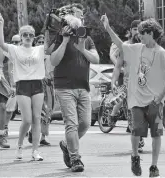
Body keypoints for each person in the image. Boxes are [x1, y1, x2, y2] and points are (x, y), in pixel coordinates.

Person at [101, 15, 165, 177]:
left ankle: (154, 167)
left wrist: (160, 96)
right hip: (136, 99)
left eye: (142, 33)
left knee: (156, 134)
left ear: (150, 33)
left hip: (155, 102)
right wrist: (107, 27)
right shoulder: (137, 48)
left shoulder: (161, 53)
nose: (139, 35)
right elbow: (119, 44)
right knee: (136, 131)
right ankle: (135, 156)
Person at [50, 3, 99, 172]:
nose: (81, 18)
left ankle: (66, 144)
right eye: (78, 15)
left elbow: (96, 59)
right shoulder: (60, 35)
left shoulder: (86, 37)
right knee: (71, 124)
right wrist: (64, 42)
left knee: (85, 123)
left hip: (83, 86)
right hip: (64, 86)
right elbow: (53, 61)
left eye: (82, 15)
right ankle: (75, 158)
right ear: (70, 17)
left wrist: (83, 49)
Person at [0, 15, 45, 161]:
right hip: (22, 85)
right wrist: (1, 24)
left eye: (30, 35)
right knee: (27, 120)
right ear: (21, 36)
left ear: (33, 37)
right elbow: (1, 44)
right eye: (25, 34)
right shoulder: (14, 49)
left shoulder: (39, 49)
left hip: (38, 84)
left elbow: (52, 44)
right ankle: (20, 145)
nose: (28, 37)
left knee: (37, 118)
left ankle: (35, 151)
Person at [108, 20, 145, 153]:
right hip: (128, 85)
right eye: (135, 29)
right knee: (131, 113)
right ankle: (138, 137)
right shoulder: (125, 47)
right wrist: (113, 82)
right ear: (131, 31)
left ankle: (139, 133)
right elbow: (118, 66)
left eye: (139, 29)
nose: (137, 32)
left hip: (143, 87)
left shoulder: (147, 46)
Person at [28, 34, 54, 146]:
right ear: (35, 43)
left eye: (43, 41)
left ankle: (43, 136)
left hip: (49, 84)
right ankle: (33, 133)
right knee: (39, 110)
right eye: (39, 41)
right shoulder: (32, 55)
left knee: (49, 111)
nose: (41, 43)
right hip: (37, 84)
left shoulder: (50, 55)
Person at [0, 34, 20, 149]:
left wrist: (12, 84)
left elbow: (11, 66)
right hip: (6, 80)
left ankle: (2, 135)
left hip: (2, 77)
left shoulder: (3, 47)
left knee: (4, 107)